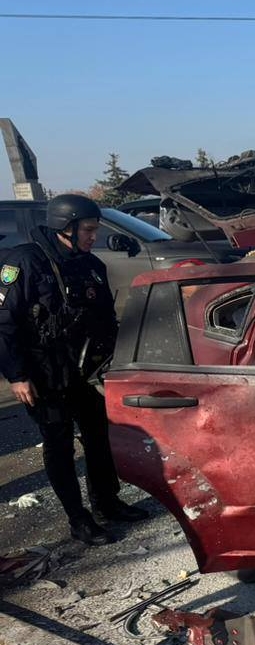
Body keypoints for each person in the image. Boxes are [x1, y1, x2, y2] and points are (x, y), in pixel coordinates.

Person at [0, 194, 147, 545]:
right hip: (43, 375)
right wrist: (17, 375)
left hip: (83, 371)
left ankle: (106, 503)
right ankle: (78, 520)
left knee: (99, 437)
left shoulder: (90, 264)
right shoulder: (24, 262)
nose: (93, 236)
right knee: (59, 446)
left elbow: (105, 320)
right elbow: (4, 324)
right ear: (65, 227)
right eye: (88, 230)